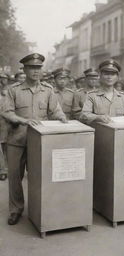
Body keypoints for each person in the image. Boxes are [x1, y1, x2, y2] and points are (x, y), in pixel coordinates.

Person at [3, 53, 67, 225]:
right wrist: (23, 120)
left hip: (40, 141)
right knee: (15, 177)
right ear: (24, 69)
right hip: (17, 140)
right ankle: (16, 209)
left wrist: (61, 117)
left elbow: (55, 110)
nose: (36, 71)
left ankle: (39, 209)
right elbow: (6, 112)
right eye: (32, 68)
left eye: (38, 68)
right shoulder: (13, 90)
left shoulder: (48, 90)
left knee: (40, 176)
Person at [80, 59, 124, 124]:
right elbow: (84, 115)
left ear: (117, 77)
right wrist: (98, 117)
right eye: (106, 74)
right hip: (100, 132)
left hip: (119, 132)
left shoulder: (123, 97)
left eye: (113, 74)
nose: (109, 77)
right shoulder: (92, 96)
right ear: (100, 76)